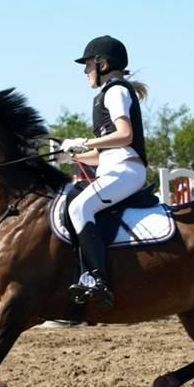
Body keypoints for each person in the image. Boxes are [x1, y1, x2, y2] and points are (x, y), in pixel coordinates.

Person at [55, 35, 148, 308]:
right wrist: (72, 156)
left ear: (102, 64)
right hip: (113, 167)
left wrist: (84, 141)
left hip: (127, 170)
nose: (85, 72)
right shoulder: (106, 94)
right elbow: (102, 154)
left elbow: (125, 135)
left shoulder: (116, 91)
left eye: (87, 66)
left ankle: (98, 280)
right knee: (70, 202)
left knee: (79, 208)